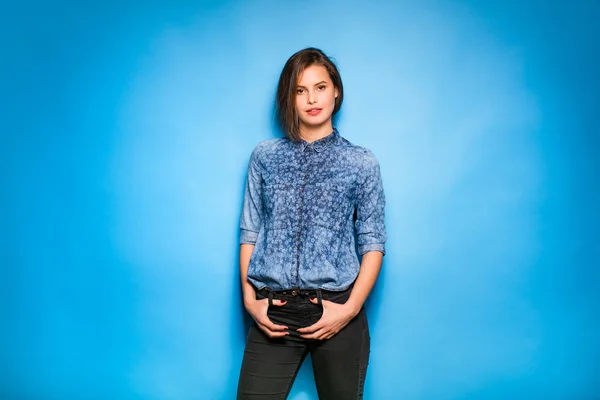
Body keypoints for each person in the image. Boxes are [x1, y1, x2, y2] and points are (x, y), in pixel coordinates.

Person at [236, 47, 387, 400]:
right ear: (289, 98)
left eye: (320, 87)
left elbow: (373, 242)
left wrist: (348, 310)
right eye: (300, 91)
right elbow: (250, 230)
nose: (311, 99)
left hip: (337, 308)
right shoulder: (265, 156)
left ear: (336, 90)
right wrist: (249, 299)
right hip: (273, 310)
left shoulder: (361, 162)